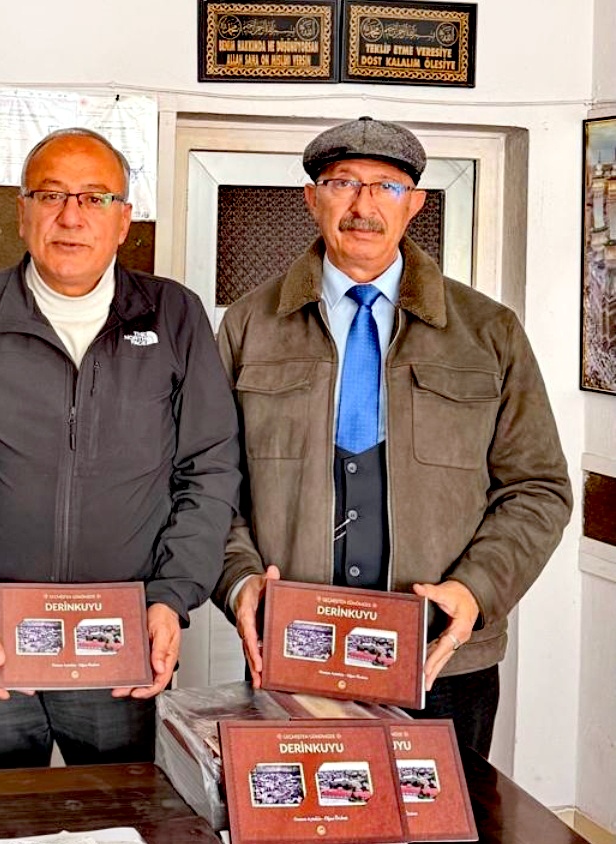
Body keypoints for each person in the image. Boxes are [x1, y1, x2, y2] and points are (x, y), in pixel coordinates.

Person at [214, 116, 572, 757]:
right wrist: (240, 583)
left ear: (416, 205)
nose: (363, 205)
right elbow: (211, 483)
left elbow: (538, 487)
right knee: (302, 827)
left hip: (440, 659)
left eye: (386, 187)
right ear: (310, 198)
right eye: (342, 183)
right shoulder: (247, 328)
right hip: (296, 651)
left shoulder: (489, 332)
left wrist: (476, 589)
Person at [0, 127, 240, 769]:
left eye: (94, 198)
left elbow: (210, 469)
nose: (71, 216)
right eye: (50, 195)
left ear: (124, 220)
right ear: (21, 212)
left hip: (122, 639)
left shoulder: (175, 316)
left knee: (123, 819)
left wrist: (171, 597)